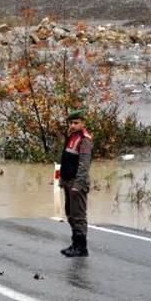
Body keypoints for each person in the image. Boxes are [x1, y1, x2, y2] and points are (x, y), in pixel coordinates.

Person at [59, 108, 93, 258]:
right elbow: (65, 159)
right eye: (71, 123)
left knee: (79, 216)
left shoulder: (85, 140)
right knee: (70, 214)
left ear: (82, 123)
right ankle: (74, 244)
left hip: (77, 183)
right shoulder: (72, 137)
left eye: (76, 123)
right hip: (67, 181)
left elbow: (84, 165)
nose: (72, 125)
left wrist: (77, 185)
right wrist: (61, 179)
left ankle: (81, 247)